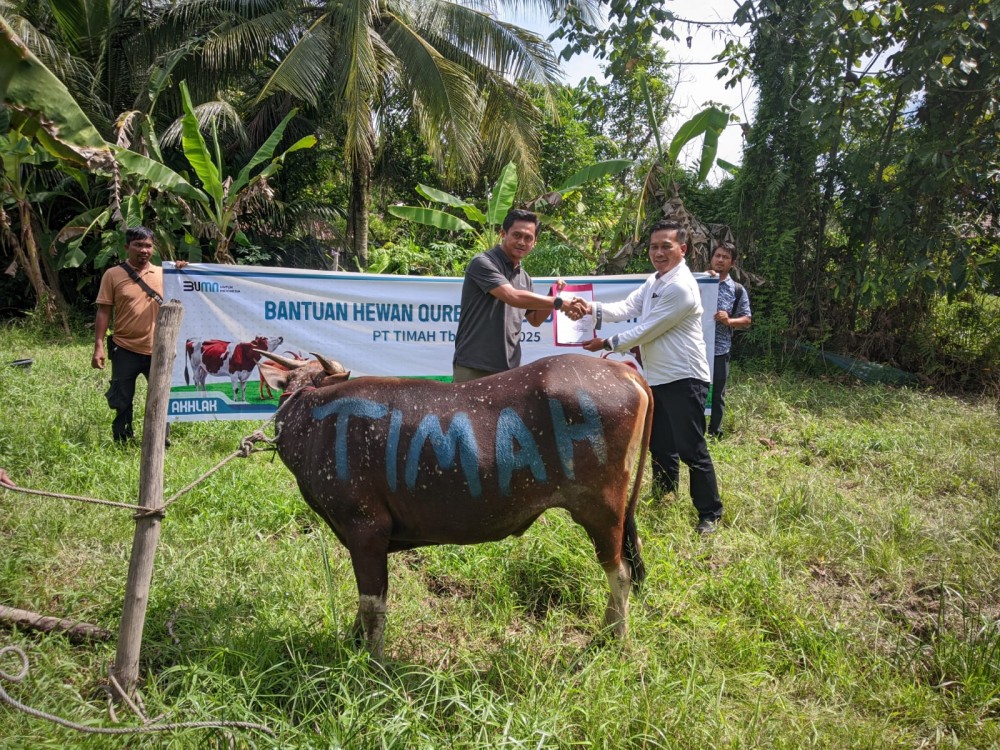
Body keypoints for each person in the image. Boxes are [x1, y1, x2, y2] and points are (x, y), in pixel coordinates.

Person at [580, 220, 723, 534]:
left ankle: (710, 513)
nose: (658, 252)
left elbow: (647, 329)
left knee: (691, 448)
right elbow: (626, 307)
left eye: (666, 246)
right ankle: (665, 495)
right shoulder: (655, 281)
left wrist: (606, 343)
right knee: (659, 444)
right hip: (656, 377)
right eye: (654, 246)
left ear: (682, 249)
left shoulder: (680, 286)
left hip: (685, 377)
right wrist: (588, 308)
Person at [452, 208, 587, 382]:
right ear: (503, 233)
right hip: (474, 366)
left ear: (535, 242)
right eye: (517, 235)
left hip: (510, 369)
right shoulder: (483, 263)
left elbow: (535, 319)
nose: (522, 242)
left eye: (528, 238)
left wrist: (553, 293)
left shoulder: (525, 277)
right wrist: (559, 302)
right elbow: (512, 296)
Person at [92, 227, 185, 444]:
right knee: (122, 397)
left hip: (159, 348)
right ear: (127, 247)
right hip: (124, 348)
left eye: (148, 246)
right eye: (138, 245)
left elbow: (189, 290)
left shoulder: (165, 274)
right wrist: (98, 346)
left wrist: (183, 269)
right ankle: (123, 440)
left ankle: (160, 440)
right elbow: (104, 311)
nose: (143, 250)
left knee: (161, 397)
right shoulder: (112, 275)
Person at [707, 242, 752, 438]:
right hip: (694, 349)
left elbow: (747, 319)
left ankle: (714, 431)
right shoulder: (697, 283)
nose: (720, 260)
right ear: (711, 258)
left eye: (725, 257)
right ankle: (694, 430)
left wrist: (729, 321)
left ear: (732, 263)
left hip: (719, 349)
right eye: (717, 255)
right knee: (693, 392)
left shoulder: (737, 289)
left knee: (717, 393)